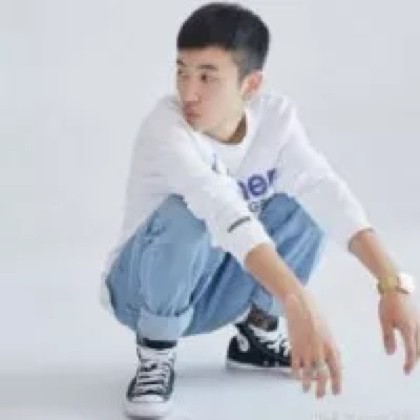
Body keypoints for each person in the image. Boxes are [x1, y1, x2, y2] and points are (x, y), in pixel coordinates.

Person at [99, 3, 420, 418]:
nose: (188, 91)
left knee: (304, 205)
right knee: (187, 215)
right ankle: (155, 354)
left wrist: (391, 283)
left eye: (207, 77)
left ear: (250, 85)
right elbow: (224, 213)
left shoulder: (276, 120)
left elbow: (328, 193)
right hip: (139, 292)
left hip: (214, 285)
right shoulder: (166, 129)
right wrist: (298, 300)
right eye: (182, 71)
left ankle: (256, 335)